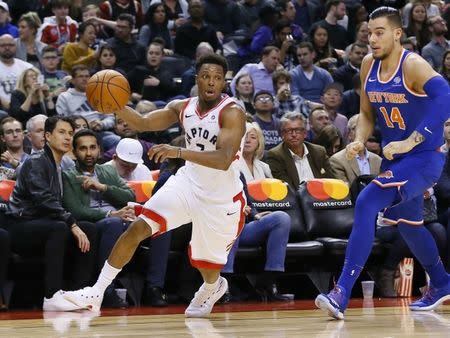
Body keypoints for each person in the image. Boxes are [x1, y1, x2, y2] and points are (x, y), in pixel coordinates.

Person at [61, 53, 247, 318]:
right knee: (138, 228)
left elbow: (224, 159)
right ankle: (97, 291)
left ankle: (213, 286)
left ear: (224, 83)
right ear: (197, 79)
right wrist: (116, 103)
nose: (210, 82)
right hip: (187, 184)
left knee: (208, 266)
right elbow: (144, 122)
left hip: (220, 197)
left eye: (217, 78)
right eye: (206, 76)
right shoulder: (183, 107)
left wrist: (178, 152)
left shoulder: (232, 113)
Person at [315, 7, 450, 320]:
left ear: (397, 33)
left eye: (379, 32)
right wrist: (360, 139)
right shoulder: (367, 64)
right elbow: (366, 113)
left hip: (424, 157)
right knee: (410, 227)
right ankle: (442, 283)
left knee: (367, 201)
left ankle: (341, 293)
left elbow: (445, 96)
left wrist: (412, 139)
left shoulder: (413, 64)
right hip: (399, 160)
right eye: (369, 32)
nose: (372, 39)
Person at [5, 116, 97, 311]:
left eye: (70, 134)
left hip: (43, 224)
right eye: (61, 132)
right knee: (59, 228)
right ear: (47, 136)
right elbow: (44, 200)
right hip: (19, 224)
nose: (67, 138)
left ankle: (77, 293)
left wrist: (76, 225)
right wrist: (72, 224)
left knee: (89, 229)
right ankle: (52, 296)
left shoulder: (59, 164)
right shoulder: (36, 161)